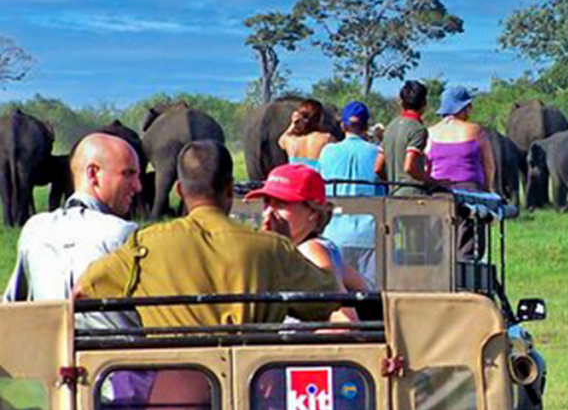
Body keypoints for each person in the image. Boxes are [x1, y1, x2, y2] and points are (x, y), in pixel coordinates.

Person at [76, 140, 342, 328]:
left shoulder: (144, 245)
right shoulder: (272, 248)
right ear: (229, 189)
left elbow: (84, 291)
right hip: (254, 387)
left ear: (179, 191)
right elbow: (328, 299)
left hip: (175, 394)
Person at [4, 132, 142, 330]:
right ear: (93, 174)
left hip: (49, 357)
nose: (137, 186)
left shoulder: (34, 230)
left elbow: (12, 308)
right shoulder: (125, 235)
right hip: (115, 357)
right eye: (128, 174)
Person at [244, 163, 368, 317]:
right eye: (267, 203)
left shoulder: (310, 251)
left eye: (281, 204)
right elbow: (364, 292)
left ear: (313, 213)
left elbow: (345, 321)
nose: (268, 213)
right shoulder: (321, 247)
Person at [319, 101, 385, 286]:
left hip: (334, 233)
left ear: (343, 125)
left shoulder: (327, 152)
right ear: (366, 126)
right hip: (370, 234)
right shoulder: (378, 152)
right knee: (371, 297)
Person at [427, 85, 496, 192]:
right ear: (464, 108)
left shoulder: (430, 132)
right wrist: (488, 188)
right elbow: (489, 165)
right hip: (471, 190)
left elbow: (426, 167)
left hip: (439, 191)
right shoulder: (476, 130)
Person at [379, 80, 439, 196]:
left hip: (392, 196)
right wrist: (433, 182)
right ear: (424, 103)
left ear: (402, 102)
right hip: (413, 196)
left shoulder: (390, 127)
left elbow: (378, 168)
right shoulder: (418, 129)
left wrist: (392, 181)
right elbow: (409, 167)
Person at [278, 98, 336, 171]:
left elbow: (280, 142)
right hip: (315, 180)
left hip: (295, 181)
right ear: (319, 118)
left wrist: (293, 124)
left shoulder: (290, 140)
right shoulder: (327, 138)